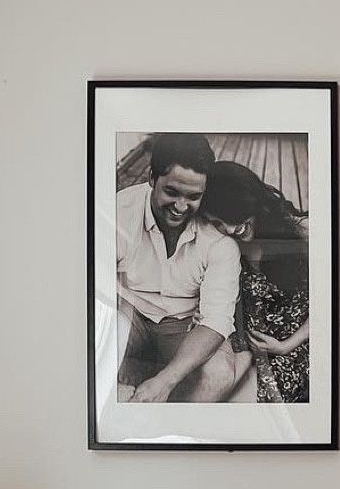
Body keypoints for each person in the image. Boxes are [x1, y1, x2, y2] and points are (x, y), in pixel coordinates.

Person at [115, 134, 241, 403]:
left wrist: (165, 380)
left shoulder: (219, 240)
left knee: (218, 374)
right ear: (151, 178)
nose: (181, 207)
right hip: (126, 310)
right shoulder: (118, 211)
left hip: (183, 324)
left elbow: (216, 319)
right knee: (85, 352)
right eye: (171, 192)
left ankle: (174, 436)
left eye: (194, 196)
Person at [190, 159, 312, 404]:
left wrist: (285, 346)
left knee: (238, 411)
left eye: (231, 215)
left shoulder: (302, 232)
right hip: (248, 350)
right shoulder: (227, 246)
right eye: (218, 223)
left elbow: (334, 304)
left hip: (294, 348)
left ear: (249, 199)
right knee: (210, 395)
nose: (230, 228)